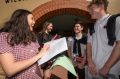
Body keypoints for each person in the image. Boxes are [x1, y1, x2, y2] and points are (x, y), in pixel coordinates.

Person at [0, 9, 49, 79]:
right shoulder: (5, 37)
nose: (34, 22)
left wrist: (47, 65)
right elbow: (10, 70)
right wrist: (39, 55)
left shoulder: (33, 39)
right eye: (32, 19)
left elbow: (38, 60)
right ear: (22, 20)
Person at [87, 0, 120, 79]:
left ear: (101, 6)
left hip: (110, 72)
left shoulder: (116, 20)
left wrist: (106, 67)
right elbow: (89, 45)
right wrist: (90, 62)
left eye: (92, 8)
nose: (89, 12)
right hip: (93, 71)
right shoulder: (91, 27)